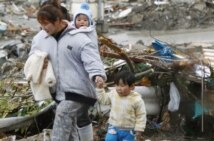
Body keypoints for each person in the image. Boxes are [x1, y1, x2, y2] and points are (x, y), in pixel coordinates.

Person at [30, 1, 106, 141]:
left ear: (58, 21)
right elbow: (32, 58)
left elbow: (92, 59)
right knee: (70, 129)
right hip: (58, 91)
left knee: (63, 113)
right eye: (41, 24)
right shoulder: (40, 39)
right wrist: (40, 62)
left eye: (46, 23)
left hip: (79, 90)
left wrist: (97, 74)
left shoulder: (78, 37)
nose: (43, 27)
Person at [96, 70, 147, 141]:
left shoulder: (137, 100)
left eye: (122, 85)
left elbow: (141, 115)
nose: (118, 88)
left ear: (132, 86)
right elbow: (103, 100)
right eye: (116, 85)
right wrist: (100, 89)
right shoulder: (113, 94)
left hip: (129, 131)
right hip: (113, 128)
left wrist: (139, 130)